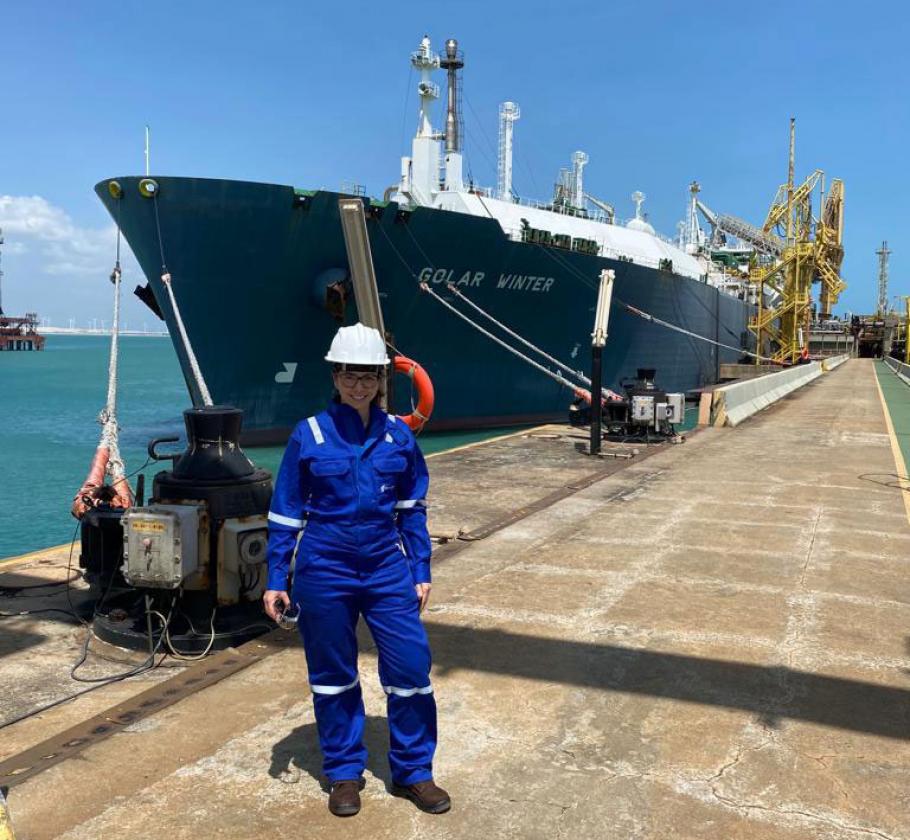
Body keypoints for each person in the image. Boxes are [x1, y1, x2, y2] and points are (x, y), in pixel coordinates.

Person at [263, 323, 450, 818]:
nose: (359, 385)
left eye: (368, 376)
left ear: (382, 379)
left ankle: (415, 772)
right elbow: (284, 514)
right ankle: (344, 772)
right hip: (324, 566)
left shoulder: (398, 437)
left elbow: (412, 506)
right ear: (336, 376)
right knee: (332, 676)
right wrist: (276, 578)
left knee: (411, 668)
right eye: (350, 374)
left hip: (386, 565)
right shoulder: (310, 435)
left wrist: (421, 568)